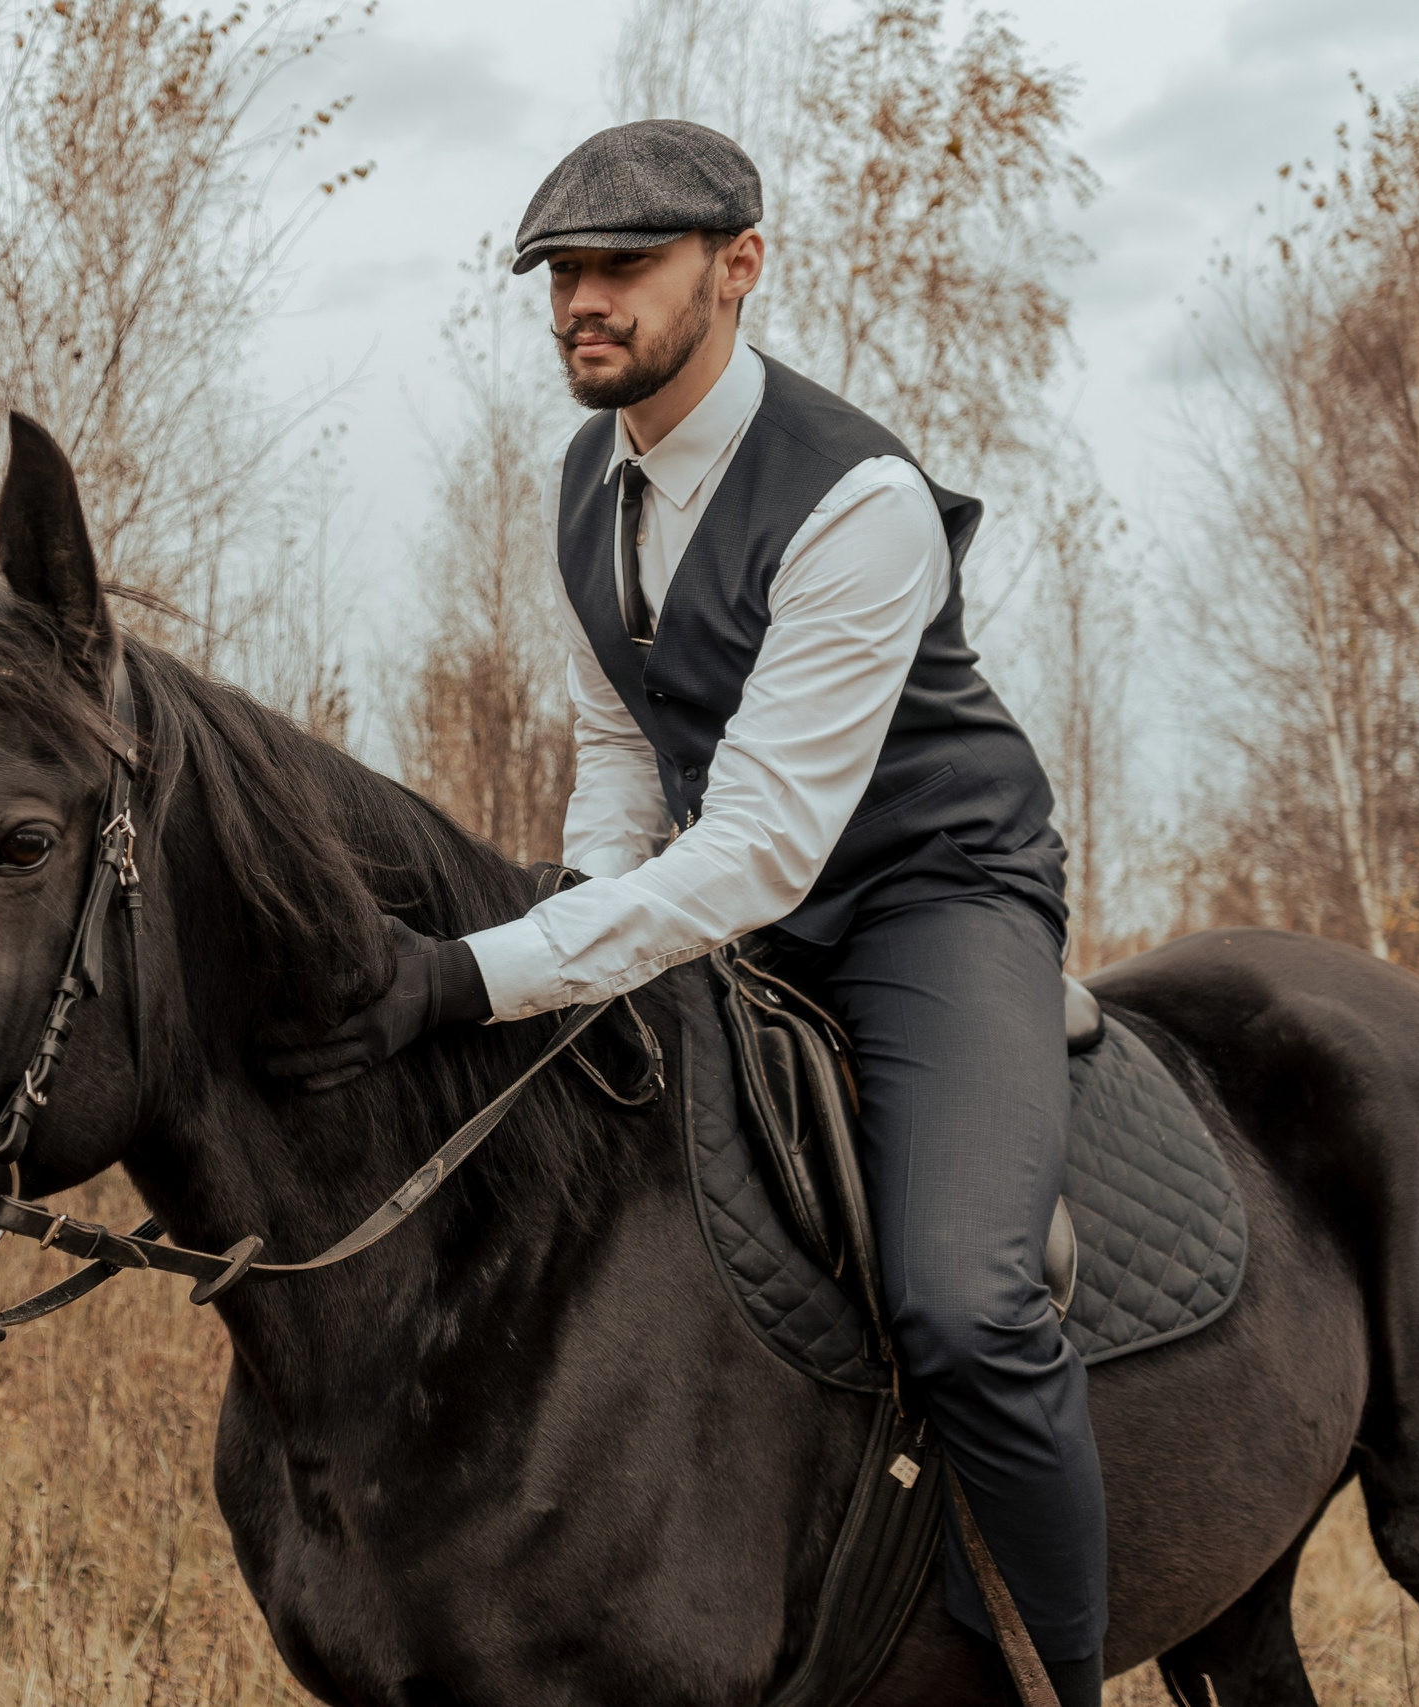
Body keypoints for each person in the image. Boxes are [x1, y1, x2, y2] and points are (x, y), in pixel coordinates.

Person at [266, 120, 1106, 1706]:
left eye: (620, 269)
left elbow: (765, 852)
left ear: (738, 265)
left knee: (965, 1301)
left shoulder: (858, 498)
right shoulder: (592, 477)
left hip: (927, 897)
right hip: (739, 896)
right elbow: (618, 742)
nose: (583, 301)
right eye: (562, 275)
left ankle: (1065, 1677)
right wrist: (580, 901)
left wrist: (475, 973)